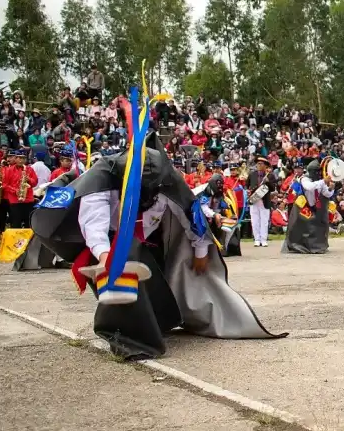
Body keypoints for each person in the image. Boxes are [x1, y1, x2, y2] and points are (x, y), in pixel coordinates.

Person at [30, 134, 285, 358]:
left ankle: (159, 322)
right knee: (124, 270)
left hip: (152, 241)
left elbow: (191, 216)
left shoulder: (166, 181)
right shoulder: (102, 179)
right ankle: (130, 337)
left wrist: (199, 251)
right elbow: (93, 225)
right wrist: (105, 256)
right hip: (113, 240)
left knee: (157, 283)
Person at [282, 159, 335, 254]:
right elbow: (310, 187)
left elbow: (326, 194)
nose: (317, 174)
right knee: (305, 225)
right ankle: (298, 246)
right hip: (302, 206)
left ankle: (318, 246)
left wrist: (331, 188)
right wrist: (323, 181)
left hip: (315, 207)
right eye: (315, 172)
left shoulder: (320, 181)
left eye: (318, 171)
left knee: (321, 223)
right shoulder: (304, 179)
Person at [2, 150, 37, 229]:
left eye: (23, 158)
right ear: (15, 158)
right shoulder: (9, 170)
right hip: (15, 201)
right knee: (15, 224)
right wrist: (15, 191)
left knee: (29, 224)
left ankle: (28, 241)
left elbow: (35, 182)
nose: (21, 160)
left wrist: (29, 179)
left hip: (28, 200)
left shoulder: (30, 169)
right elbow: (4, 185)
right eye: (19, 158)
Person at [247, 156, 277, 247]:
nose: (259, 165)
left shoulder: (270, 175)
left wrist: (268, 182)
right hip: (254, 199)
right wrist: (248, 191)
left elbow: (273, 189)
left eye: (261, 164)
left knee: (264, 220)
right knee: (255, 220)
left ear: (265, 165)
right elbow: (247, 185)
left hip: (265, 200)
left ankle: (264, 239)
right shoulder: (252, 174)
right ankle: (257, 239)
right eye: (258, 163)